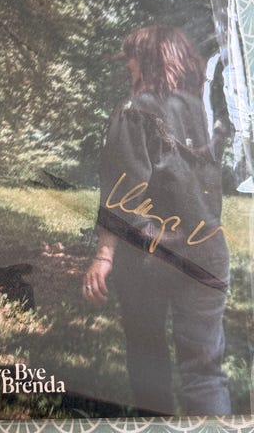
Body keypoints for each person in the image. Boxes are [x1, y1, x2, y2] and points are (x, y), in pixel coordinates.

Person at [83, 26, 231, 415]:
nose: (127, 67)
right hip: (208, 249)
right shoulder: (207, 111)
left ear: (146, 60)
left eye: (131, 58)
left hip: (150, 252)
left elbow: (122, 190)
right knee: (205, 373)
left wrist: (103, 254)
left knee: (148, 359)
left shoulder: (136, 110)